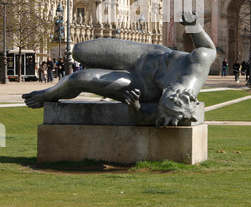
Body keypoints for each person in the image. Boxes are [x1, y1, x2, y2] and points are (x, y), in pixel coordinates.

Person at [22, 12, 217, 127]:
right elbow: (208, 48)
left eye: (164, 100)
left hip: (138, 85)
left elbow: (143, 119)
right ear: (184, 95)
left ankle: (48, 94)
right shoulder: (197, 64)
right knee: (79, 50)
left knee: (79, 79)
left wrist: (136, 106)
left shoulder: (165, 110)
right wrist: (194, 26)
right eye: (169, 94)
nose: (166, 93)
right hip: (145, 54)